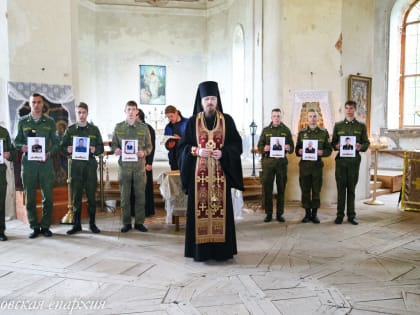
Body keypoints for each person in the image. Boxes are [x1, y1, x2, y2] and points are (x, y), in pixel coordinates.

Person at [178, 81, 244, 261]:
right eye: (206, 99)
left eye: (213, 99)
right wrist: (196, 151)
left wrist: (224, 152)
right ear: (201, 101)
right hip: (198, 178)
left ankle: (222, 252)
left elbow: (237, 145)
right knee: (199, 211)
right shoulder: (193, 122)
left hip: (220, 177)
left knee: (220, 212)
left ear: (217, 100)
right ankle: (200, 252)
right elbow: (182, 147)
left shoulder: (227, 120)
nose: (210, 102)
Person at [15, 93, 59, 238]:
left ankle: (45, 226)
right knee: (30, 196)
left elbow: (57, 143)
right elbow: (16, 142)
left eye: (39, 102)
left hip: (45, 163)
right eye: (33, 102)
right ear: (30, 104)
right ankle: (34, 226)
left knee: (48, 197)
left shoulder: (50, 121)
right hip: (29, 164)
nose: (37, 105)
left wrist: (49, 154)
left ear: (43, 104)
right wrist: (22, 147)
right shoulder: (22, 121)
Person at [61, 102, 104, 234]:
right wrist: (67, 149)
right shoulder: (70, 130)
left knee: (91, 196)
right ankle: (77, 224)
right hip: (76, 168)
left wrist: (94, 149)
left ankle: (92, 224)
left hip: (90, 167)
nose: (81, 115)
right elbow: (62, 147)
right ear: (76, 113)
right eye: (79, 112)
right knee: (76, 196)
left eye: (83, 112)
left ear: (87, 113)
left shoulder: (94, 130)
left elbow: (101, 148)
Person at [112, 100, 152, 233]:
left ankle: (139, 222)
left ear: (137, 112)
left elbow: (149, 147)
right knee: (124, 197)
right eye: (128, 109)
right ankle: (126, 222)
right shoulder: (118, 128)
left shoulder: (143, 128)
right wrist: (116, 150)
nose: (131, 112)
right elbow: (114, 145)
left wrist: (144, 152)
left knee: (140, 196)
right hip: (124, 168)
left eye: (133, 109)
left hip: (139, 168)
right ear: (125, 111)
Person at [332, 100, 370, 225]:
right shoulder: (338, 126)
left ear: (355, 110)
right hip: (341, 162)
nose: (349, 110)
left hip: (354, 161)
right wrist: (336, 146)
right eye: (347, 108)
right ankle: (339, 215)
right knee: (341, 189)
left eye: (351, 108)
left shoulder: (361, 126)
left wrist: (360, 147)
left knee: (352, 189)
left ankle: (351, 215)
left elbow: (366, 143)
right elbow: (333, 143)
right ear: (344, 109)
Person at [257, 108, 294, 223]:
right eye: (274, 116)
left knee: (281, 189)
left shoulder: (286, 130)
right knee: (267, 189)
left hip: (281, 164)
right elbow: (259, 146)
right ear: (271, 117)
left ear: (281, 117)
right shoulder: (266, 130)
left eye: (278, 116)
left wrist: (289, 147)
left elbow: (292, 147)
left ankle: (279, 214)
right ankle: (268, 213)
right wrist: (264, 148)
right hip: (268, 164)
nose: (276, 118)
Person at [295, 109, 332, 223]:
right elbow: (297, 150)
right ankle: (307, 214)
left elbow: (329, 150)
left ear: (318, 118)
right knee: (305, 190)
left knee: (316, 190)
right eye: (310, 116)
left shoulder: (323, 132)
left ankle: (314, 214)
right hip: (305, 167)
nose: (312, 119)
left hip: (317, 166)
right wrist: (299, 151)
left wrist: (322, 152)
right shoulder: (302, 133)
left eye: (314, 116)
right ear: (307, 118)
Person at [130, 108, 156, 217]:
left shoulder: (148, 128)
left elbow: (151, 147)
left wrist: (149, 163)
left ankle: (146, 210)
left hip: (145, 162)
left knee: (145, 187)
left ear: (138, 116)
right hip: (133, 163)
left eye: (133, 115)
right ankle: (134, 211)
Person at [164, 105, 188, 170]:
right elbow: (166, 144)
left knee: (186, 179)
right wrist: (169, 146)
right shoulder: (168, 127)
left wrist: (180, 139)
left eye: (171, 116)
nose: (170, 119)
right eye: (168, 117)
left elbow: (192, 140)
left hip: (186, 156)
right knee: (174, 179)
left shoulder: (188, 123)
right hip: (173, 159)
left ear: (176, 113)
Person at [0, 126, 13, 241]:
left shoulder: (3, 132)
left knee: (0, 201)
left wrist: (9, 155)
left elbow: (12, 151)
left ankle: (0, 231)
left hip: (0, 171)